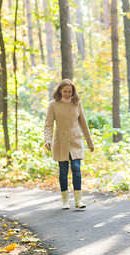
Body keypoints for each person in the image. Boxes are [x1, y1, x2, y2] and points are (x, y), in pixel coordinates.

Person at [44, 79, 94, 210]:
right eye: (65, 91)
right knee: (63, 171)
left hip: (75, 141)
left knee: (76, 169)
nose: (67, 93)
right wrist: (47, 140)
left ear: (73, 92)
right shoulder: (53, 105)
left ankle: (78, 200)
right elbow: (48, 124)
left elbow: (83, 124)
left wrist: (90, 143)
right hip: (60, 141)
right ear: (60, 91)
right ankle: (65, 201)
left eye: (69, 91)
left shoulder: (77, 104)